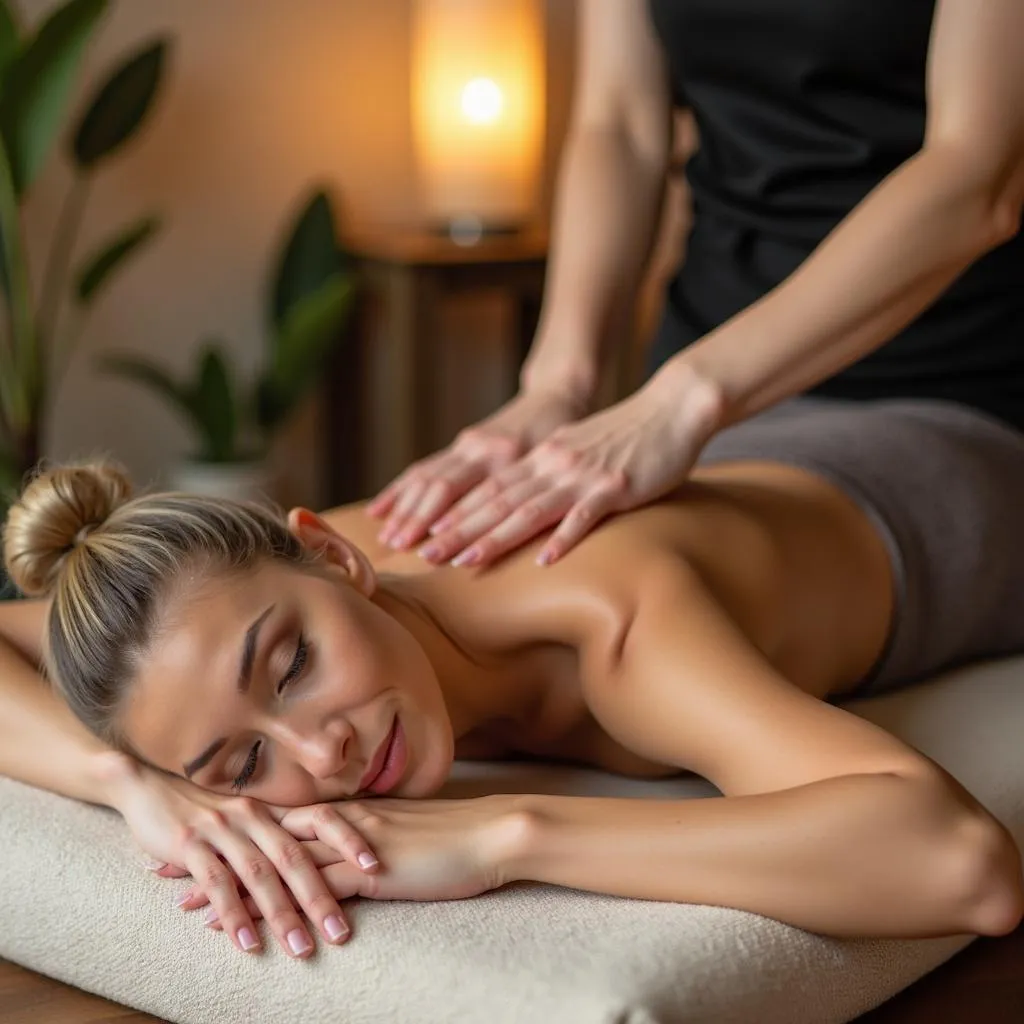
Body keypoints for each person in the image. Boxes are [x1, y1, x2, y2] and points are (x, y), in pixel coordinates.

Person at [2, 457, 1022, 962]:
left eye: (294, 663)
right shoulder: (218, 607)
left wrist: (504, 833)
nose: (322, 750)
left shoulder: (617, 627)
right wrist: (132, 784)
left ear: (337, 555)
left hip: (940, 479)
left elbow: (961, 863)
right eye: (237, 764)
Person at [368, 0, 1024, 571]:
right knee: (384, 562)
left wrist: (684, 401)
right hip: (704, 375)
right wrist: (556, 387)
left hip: (942, 380)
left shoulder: (692, 397)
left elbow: (976, 175)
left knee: (621, 575)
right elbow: (620, 124)